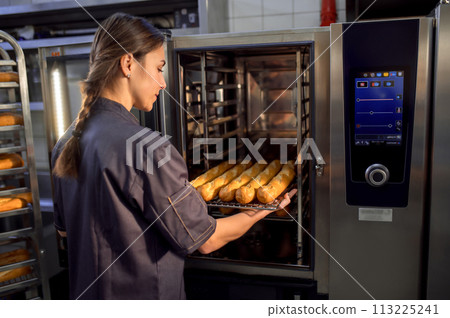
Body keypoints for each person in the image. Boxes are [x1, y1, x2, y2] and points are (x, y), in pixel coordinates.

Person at [52, 13, 294, 300]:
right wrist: (264, 208)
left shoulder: (66, 142)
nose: (163, 83)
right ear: (128, 64)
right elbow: (207, 240)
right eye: (159, 68)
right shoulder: (147, 148)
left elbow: (66, 233)